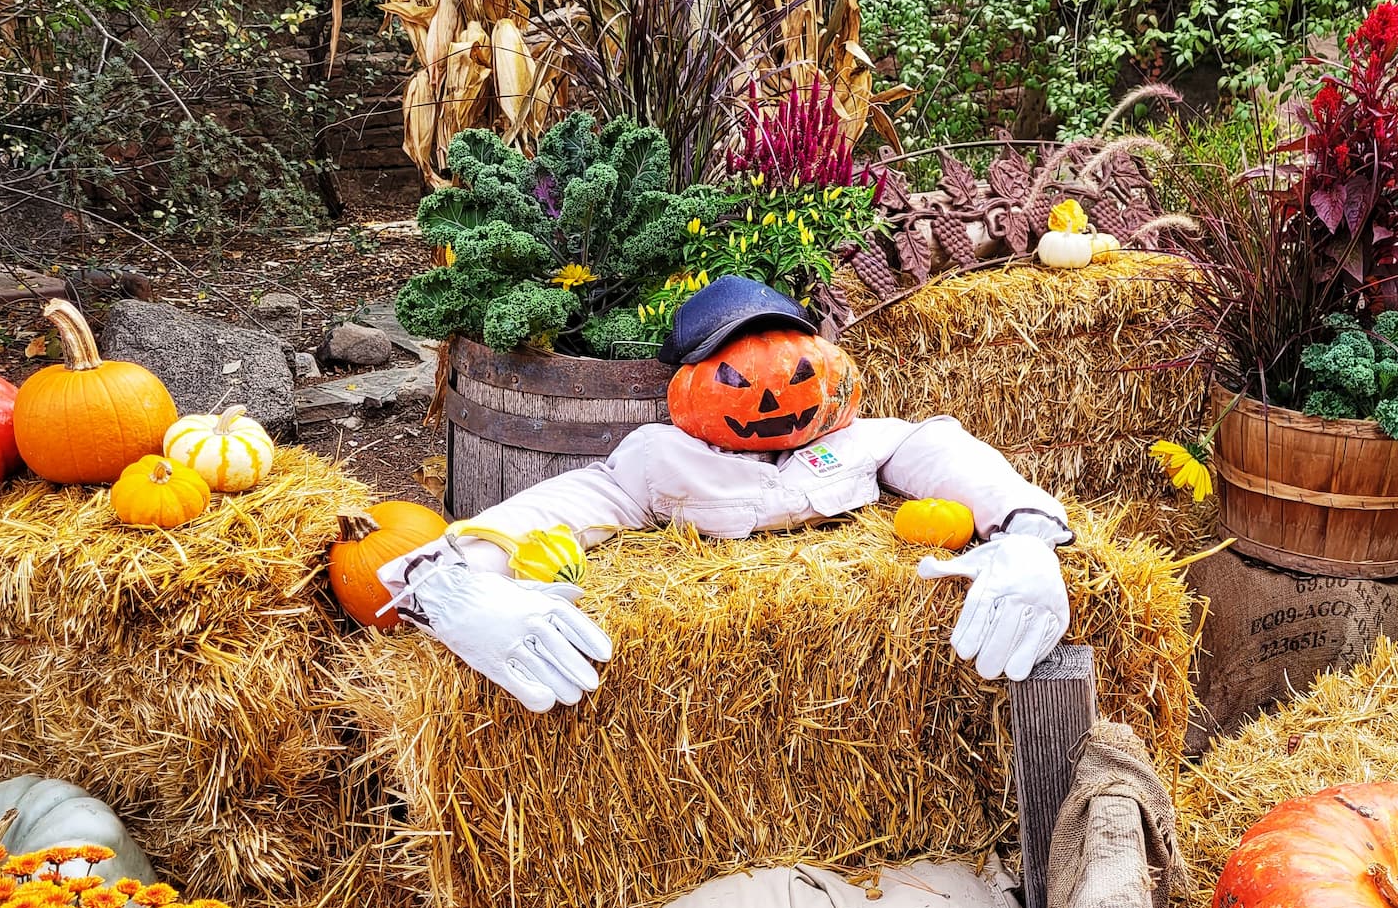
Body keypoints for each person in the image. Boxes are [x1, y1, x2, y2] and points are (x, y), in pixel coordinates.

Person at [377, 276, 1078, 710]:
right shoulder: (664, 461)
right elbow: (570, 502)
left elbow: (938, 447)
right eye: (738, 377)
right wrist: (451, 579)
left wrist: (1026, 529)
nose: (776, 390)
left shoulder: (860, 439)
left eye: (797, 365)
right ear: (686, 385)